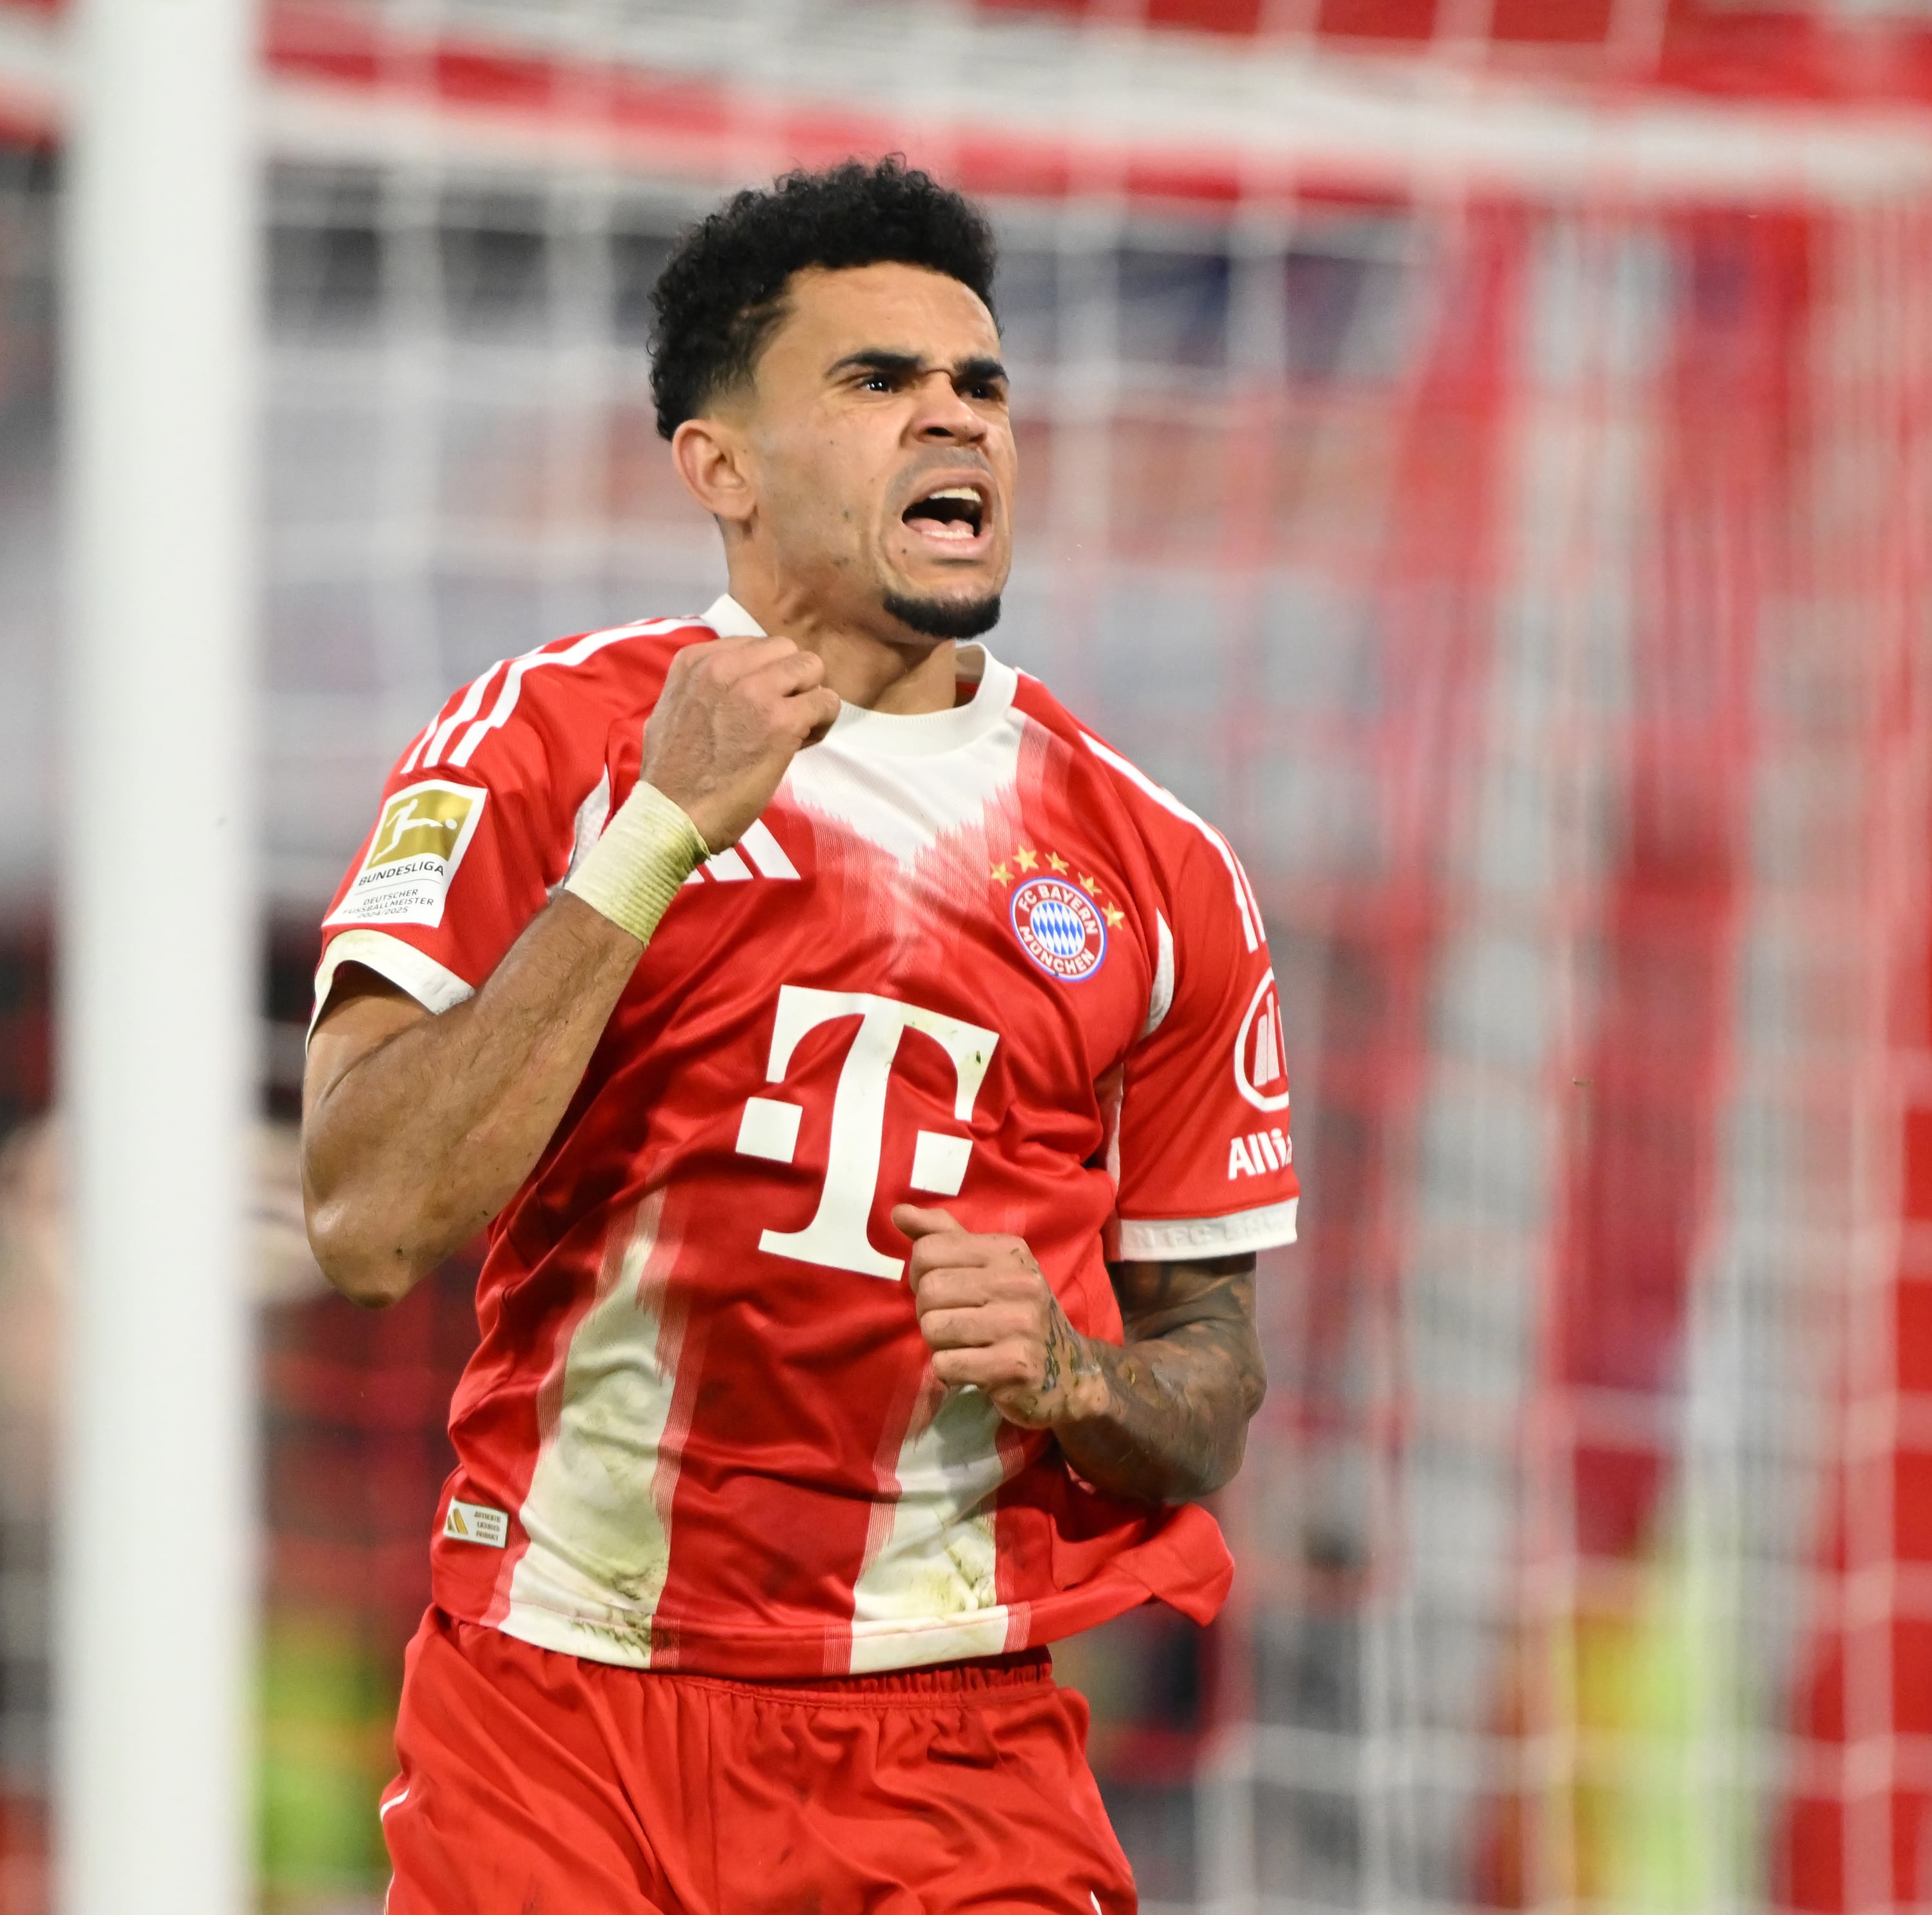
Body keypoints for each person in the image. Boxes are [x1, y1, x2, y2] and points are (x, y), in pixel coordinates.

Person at [299, 158, 1298, 1912]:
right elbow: (367, 1219)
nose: (956, 419)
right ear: (723, 468)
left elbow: (1206, 1384)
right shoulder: (549, 741)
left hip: (946, 1745)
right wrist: (652, 840)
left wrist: (1071, 1375)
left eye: (980, 384)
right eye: (878, 380)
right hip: (561, 1708)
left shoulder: (1162, 872)